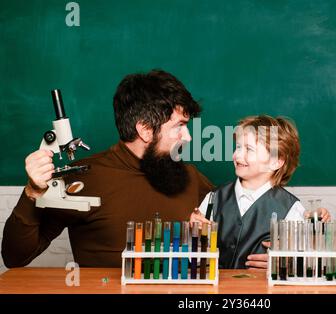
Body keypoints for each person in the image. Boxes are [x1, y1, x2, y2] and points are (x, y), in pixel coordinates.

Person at [2, 69, 213, 268]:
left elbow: (233, 220)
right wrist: (32, 193)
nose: (188, 137)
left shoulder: (190, 176)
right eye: (179, 126)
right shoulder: (83, 179)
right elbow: (15, 256)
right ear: (146, 130)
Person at [190, 115, 330, 269]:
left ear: (276, 161)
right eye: (237, 147)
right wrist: (193, 233)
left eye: (249, 149)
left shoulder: (292, 209)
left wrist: (285, 263)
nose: (236, 155)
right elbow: (195, 259)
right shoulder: (213, 198)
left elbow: (305, 266)